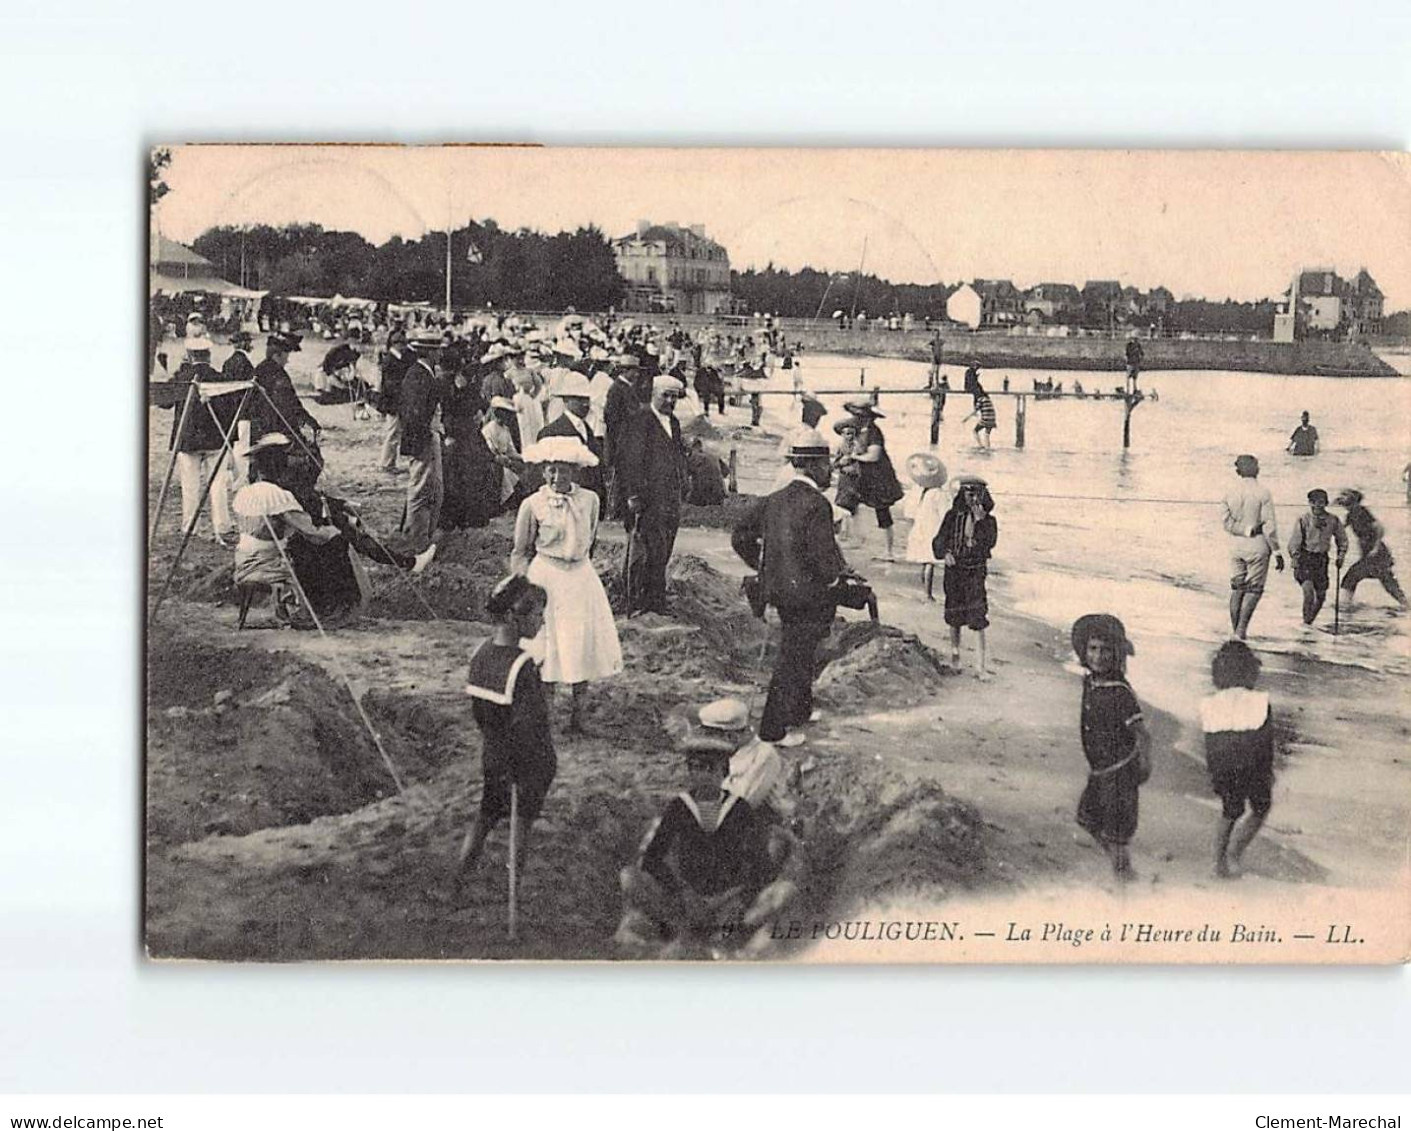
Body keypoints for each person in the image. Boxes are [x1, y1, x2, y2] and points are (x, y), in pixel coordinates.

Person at [731, 428, 848, 749]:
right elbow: (824, 557)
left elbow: (739, 535)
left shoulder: (774, 499)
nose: (831, 471)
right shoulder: (817, 505)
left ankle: (800, 711)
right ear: (813, 464)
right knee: (794, 657)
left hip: (780, 591)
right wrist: (835, 580)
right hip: (808, 595)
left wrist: (764, 567)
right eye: (827, 464)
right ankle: (772, 730)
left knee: (802, 650)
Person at [452, 575, 557, 901]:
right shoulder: (523, 665)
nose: (541, 622)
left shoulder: (481, 654)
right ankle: (514, 889)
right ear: (514, 616)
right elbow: (531, 722)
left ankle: (459, 880)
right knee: (521, 825)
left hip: (493, 753)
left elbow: (480, 713)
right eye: (537, 615)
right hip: (525, 762)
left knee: (484, 817)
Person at [616, 730, 770, 949]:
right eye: (696, 767)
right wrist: (682, 892)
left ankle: (721, 935)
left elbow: (760, 862)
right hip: (685, 899)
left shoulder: (739, 809)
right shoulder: (679, 807)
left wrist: (739, 898)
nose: (703, 775)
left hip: (727, 898)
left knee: (778, 895)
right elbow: (652, 858)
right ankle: (679, 930)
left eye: (710, 768)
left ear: (723, 772)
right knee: (629, 877)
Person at [511, 436, 623, 734]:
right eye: (552, 469)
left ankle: (579, 716)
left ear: (577, 471)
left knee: (579, 645)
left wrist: (580, 567)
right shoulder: (532, 504)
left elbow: (592, 538)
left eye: (566, 469)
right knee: (546, 648)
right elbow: (521, 551)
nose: (559, 476)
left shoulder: (590, 501)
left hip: (580, 578)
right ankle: (544, 716)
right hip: (546, 577)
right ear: (544, 471)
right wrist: (523, 589)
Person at [1070, 613, 1152, 883]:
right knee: (1089, 821)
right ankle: (1123, 869)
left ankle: (1122, 880)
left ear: (1116, 653)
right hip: (1100, 771)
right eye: (1093, 649)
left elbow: (1142, 733)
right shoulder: (1091, 681)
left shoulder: (1120, 692)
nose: (1098, 656)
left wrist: (1145, 763)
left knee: (1117, 834)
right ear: (1084, 650)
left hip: (1119, 773)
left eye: (1106, 650)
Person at [231, 434, 340, 627]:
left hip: (241, 559)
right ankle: (307, 613)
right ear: (280, 469)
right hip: (267, 563)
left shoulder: (244, 492)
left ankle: (283, 610)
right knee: (311, 556)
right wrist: (331, 531)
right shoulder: (278, 496)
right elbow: (311, 532)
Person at [1200, 640, 1274, 879]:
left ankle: (1218, 861)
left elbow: (1210, 741)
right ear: (1252, 671)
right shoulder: (1259, 702)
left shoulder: (1211, 703)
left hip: (1223, 765)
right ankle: (1235, 851)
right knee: (1260, 808)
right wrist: (1268, 771)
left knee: (1230, 812)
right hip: (1252, 763)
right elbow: (1265, 741)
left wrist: (1214, 771)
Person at [618, 375, 688, 615]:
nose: (669, 401)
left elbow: (677, 456)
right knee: (645, 550)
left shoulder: (674, 423)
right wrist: (633, 495)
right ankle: (639, 601)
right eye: (665, 396)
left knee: (664, 549)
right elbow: (631, 462)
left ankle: (656, 600)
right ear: (654, 395)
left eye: (674, 397)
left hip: (669, 498)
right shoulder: (641, 422)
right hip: (648, 499)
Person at [168, 338, 242, 545]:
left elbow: (164, 403)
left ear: (189, 355)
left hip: (189, 440)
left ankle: (189, 526)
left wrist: (177, 371)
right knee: (218, 485)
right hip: (215, 439)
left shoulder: (182, 377)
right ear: (208, 355)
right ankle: (222, 525)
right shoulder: (220, 378)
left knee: (190, 485)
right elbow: (232, 409)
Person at [934, 476, 998, 679]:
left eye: (977, 495)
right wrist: (945, 553)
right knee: (954, 615)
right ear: (962, 495)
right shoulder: (952, 516)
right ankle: (956, 657)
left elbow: (989, 544)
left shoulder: (989, 521)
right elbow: (939, 540)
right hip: (954, 571)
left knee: (978, 617)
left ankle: (980, 666)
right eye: (969, 494)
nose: (973, 499)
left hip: (975, 572)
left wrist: (980, 523)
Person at [1221, 454, 1285, 640]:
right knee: (1254, 590)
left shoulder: (1229, 492)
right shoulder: (1263, 492)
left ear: (1238, 470)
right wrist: (1277, 551)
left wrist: (1245, 530)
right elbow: (1269, 526)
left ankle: (1236, 632)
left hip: (1236, 544)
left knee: (1237, 589)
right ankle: (1241, 632)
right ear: (1255, 469)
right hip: (1258, 545)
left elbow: (1226, 523)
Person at [832, 402, 905, 560]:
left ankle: (889, 551)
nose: (856, 418)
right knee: (846, 505)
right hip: (861, 476)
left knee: (882, 511)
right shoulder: (858, 431)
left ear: (867, 418)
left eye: (859, 416)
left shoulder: (873, 432)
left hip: (878, 476)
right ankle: (853, 538)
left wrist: (853, 457)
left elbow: (874, 456)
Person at [398, 340, 445, 551]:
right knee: (420, 489)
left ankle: (419, 534)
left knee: (431, 487)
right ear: (429, 351)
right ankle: (416, 539)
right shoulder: (418, 375)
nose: (440, 353)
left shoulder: (422, 373)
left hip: (426, 435)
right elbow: (414, 413)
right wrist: (425, 434)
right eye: (437, 349)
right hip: (422, 438)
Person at [534, 371, 605, 505]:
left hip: (587, 501)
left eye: (587, 399)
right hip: (564, 501)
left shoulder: (587, 428)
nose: (586, 404)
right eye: (580, 399)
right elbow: (545, 474)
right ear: (566, 400)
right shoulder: (551, 432)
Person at [1336, 488, 1408, 610]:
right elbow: (1340, 529)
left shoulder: (1362, 511)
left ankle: (1345, 604)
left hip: (1377, 552)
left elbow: (1379, 528)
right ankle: (1405, 604)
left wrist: (1375, 547)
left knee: (1354, 576)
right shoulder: (1350, 515)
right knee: (1384, 579)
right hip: (1368, 552)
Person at [1288, 489, 1348, 625]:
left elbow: (1342, 539)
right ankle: (1305, 623)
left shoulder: (1333, 520)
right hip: (1305, 558)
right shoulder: (1303, 519)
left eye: (1321, 502)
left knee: (1321, 597)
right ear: (1309, 503)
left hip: (1321, 560)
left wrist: (1341, 555)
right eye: (1314, 502)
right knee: (1308, 593)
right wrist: (1295, 557)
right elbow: (1295, 541)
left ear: (1326, 503)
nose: (1317, 506)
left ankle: (1309, 622)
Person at [903, 453, 949, 601]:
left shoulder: (918, 491)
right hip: (932, 530)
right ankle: (927, 594)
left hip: (919, 529)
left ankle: (925, 590)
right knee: (930, 561)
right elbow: (944, 514)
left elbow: (909, 513)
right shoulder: (938, 494)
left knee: (925, 561)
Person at [377, 327, 412, 473]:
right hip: (393, 402)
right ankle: (386, 463)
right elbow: (390, 385)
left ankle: (388, 462)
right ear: (396, 344)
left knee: (394, 433)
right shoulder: (391, 360)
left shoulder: (392, 358)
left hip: (393, 401)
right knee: (392, 433)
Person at [685, 438, 728, 506]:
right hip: (720, 496)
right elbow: (726, 472)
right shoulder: (713, 455)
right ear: (701, 446)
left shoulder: (692, 457)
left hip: (703, 497)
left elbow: (685, 476)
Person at [961, 367, 997, 449]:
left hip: (986, 419)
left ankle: (980, 446)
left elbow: (975, 412)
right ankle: (988, 448)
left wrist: (966, 419)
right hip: (993, 419)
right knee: (987, 434)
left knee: (975, 431)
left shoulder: (980, 400)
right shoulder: (987, 399)